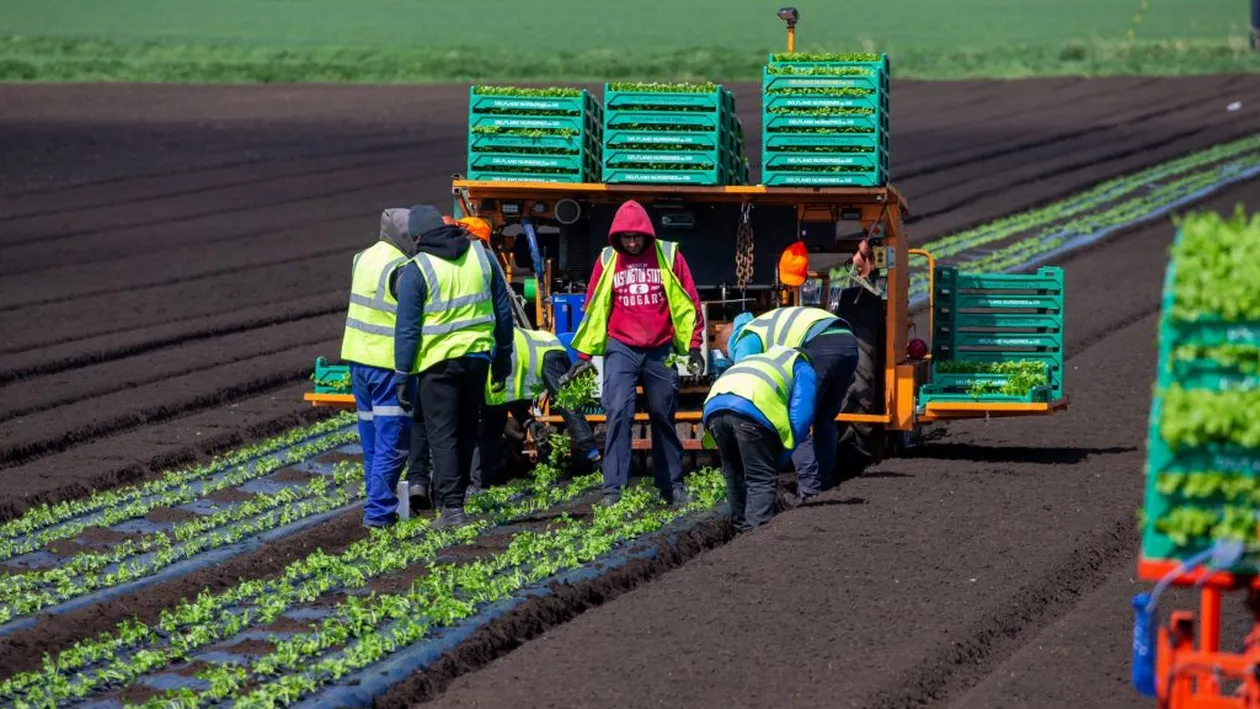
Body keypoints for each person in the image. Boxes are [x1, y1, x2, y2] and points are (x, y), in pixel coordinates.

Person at [569, 199, 705, 506]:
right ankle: (612, 490)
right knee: (618, 413)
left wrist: (694, 346)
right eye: (626, 238)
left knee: (663, 415)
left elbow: (689, 301)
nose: (632, 242)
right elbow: (593, 308)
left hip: (660, 348)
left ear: (647, 234)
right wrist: (584, 357)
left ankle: (672, 485)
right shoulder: (607, 260)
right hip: (621, 347)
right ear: (617, 237)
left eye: (637, 237)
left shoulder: (668, 255)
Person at [393, 204, 514, 529]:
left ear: (418, 236)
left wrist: (402, 374)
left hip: (437, 364)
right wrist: (503, 356)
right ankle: (456, 500)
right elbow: (503, 311)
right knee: (465, 430)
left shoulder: (418, 269)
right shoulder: (481, 256)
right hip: (477, 360)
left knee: (442, 434)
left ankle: (452, 509)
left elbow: (407, 329)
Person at [728, 304, 859, 501]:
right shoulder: (765, 324)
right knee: (824, 420)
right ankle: (824, 483)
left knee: (798, 422)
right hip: (848, 343)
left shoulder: (747, 337)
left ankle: (810, 491)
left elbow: (747, 379)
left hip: (820, 343)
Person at [340, 207, 420, 528]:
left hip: (358, 361)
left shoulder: (362, 257)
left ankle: (377, 509)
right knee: (393, 443)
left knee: (372, 442)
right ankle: (378, 516)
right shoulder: (402, 267)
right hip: (387, 366)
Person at [702, 345, 817, 531]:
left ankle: (740, 530)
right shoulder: (802, 366)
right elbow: (801, 416)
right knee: (761, 477)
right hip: (751, 409)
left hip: (714, 408)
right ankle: (757, 534)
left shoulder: (760, 359)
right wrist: (784, 455)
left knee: (734, 474)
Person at [472, 328, 602, 492]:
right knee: (490, 425)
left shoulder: (501, 352)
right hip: (530, 354)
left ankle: (479, 484)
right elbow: (569, 408)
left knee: (489, 426)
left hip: (503, 363)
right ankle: (593, 460)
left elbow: (507, 397)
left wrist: (528, 421)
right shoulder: (549, 354)